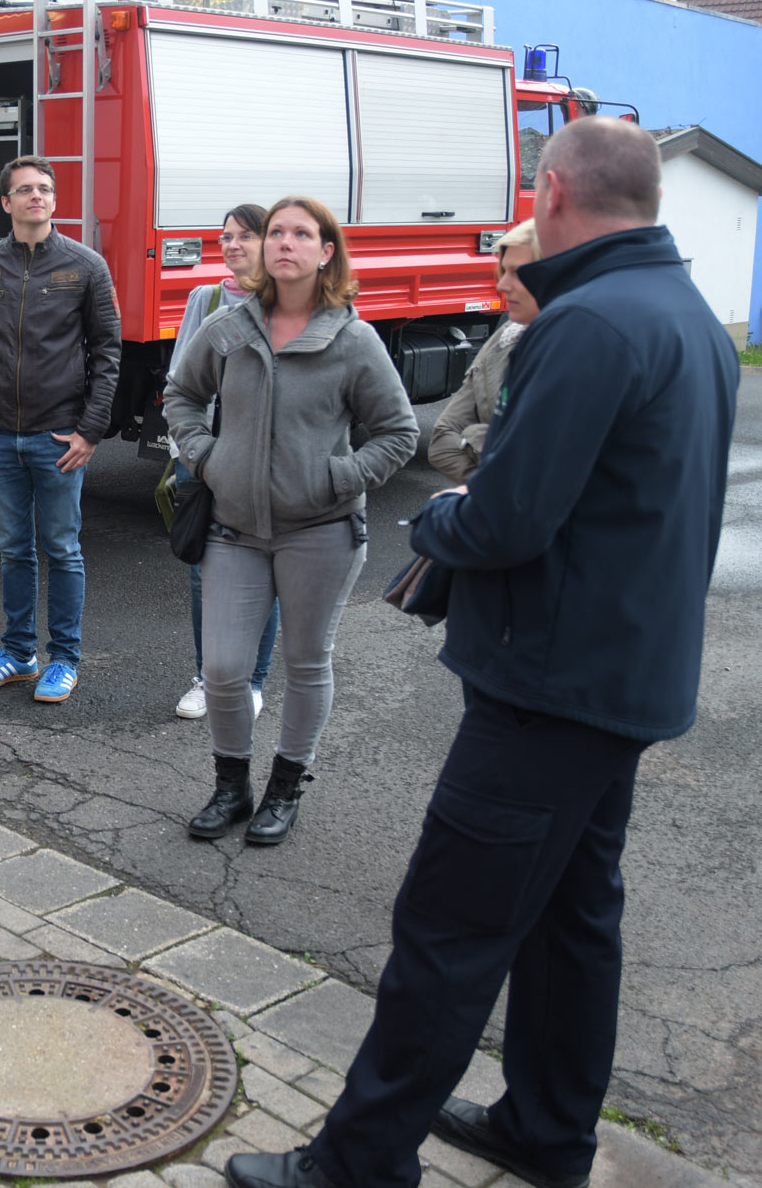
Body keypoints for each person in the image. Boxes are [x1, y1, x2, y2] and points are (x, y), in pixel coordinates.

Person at [229, 118, 739, 1188]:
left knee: (449, 930)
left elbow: (507, 519)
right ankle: (545, 1132)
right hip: (619, 678)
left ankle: (359, 1165)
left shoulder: (586, 321)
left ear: (551, 193)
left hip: (549, 687)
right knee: (571, 918)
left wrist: (440, 518)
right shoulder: (684, 310)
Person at [165, 197, 417, 844]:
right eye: (276, 231)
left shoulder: (353, 340)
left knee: (306, 662)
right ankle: (232, 787)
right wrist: (207, 457)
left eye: (301, 233)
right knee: (224, 668)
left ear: (326, 252)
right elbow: (182, 395)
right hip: (234, 529)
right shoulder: (229, 327)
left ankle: (285, 787)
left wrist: (336, 478)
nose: (284, 242)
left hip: (321, 532)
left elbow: (398, 432)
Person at [0, 154, 122, 703]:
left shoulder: (86, 266)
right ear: (6, 202)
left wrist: (90, 430)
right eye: (25, 189)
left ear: (54, 199)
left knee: (63, 548)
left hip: (58, 437)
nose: (36, 196)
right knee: (14, 550)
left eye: (44, 188)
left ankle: (64, 659)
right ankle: (19, 654)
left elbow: (108, 353)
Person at [168, 204, 281, 720]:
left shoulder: (289, 305)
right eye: (226, 237)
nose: (232, 245)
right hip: (209, 461)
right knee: (204, 574)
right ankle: (208, 678)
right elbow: (181, 382)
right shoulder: (206, 298)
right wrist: (193, 453)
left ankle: (252, 682)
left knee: (264, 572)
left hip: (267, 465)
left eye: (244, 236)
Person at [427, 219, 541, 484]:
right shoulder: (504, 338)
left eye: (518, 273)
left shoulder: (583, 348)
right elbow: (441, 444)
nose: (502, 285)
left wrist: (475, 438)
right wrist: (498, 490)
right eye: (503, 271)